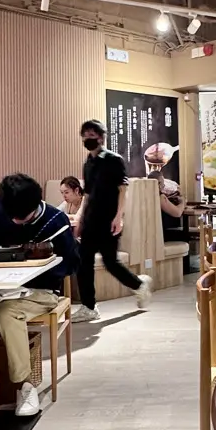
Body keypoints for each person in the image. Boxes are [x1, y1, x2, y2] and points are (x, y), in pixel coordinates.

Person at [0, 173, 78, 418]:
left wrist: (38, 263)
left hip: (40, 292)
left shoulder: (55, 221)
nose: (16, 221)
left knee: (8, 312)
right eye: (12, 217)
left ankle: (25, 385)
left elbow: (71, 264)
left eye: (23, 217)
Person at [73, 118, 152, 322]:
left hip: (108, 219)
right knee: (83, 260)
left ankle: (139, 285)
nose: (88, 139)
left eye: (92, 135)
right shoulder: (87, 163)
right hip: (90, 220)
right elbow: (87, 194)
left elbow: (123, 189)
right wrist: (80, 219)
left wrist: (119, 217)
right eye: (85, 136)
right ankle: (89, 306)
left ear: (101, 138)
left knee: (110, 262)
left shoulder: (113, 160)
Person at [144, 141, 186, 240]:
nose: (163, 186)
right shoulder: (160, 197)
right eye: (162, 183)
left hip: (147, 234)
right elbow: (178, 213)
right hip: (161, 235)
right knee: (184, 235)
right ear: (158, 183)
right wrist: (183, 201)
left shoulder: (145, 195)